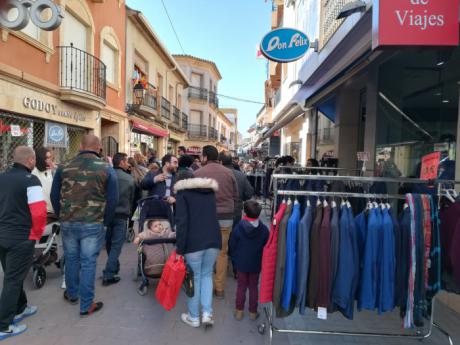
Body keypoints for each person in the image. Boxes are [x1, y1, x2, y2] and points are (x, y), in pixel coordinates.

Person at [51, 135, 118, 318]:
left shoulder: (64, 165)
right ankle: (86, 305)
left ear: (81, 146)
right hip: (92, 222)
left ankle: (72, 294)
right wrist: (106, 221)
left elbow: (54, 194)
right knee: (88, 263)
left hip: (68, 221)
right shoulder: (106, 168)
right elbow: (113, 199)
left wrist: (61, 215)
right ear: (99, 148)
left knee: (71, 258)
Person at [0, 146, 47, 339]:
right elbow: (39, 212)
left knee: (13, 275)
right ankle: (3, 326)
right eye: (34, 160)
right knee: (12, 279)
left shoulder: (1, 177)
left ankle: (20, 307)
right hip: (21, 238)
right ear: (30, 161)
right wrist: (36, 235)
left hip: (2, 236)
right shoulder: (31, 180)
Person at [174, 177, 221, 327]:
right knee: (207, 275)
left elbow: (182, 222)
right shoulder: (210, 192)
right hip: (213, 239)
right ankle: (207, 313)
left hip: (193, 242)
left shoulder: (182, 194)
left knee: (194, 279)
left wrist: (179, 249)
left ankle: (194, 317)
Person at [194, 146, 238, 299]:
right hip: (225, 218)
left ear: (205, 157)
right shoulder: (229, 173)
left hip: (205, 219)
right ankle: (219, 288)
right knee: (222, 253)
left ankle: (204, 286)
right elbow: (235, 195)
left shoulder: (198, 173)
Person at [228, 200, 269, 321]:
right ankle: (252, 312)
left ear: (245, 212)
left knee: (241, 286)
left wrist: (234, 258)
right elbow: (266, 246)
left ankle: (239, 311)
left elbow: (232, 245)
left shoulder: (239, 228)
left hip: (241, 262)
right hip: (256, 263)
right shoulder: (264, 230)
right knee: (253, 287)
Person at [102, 153, 135, 286]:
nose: (128, 164)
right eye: (126, 161)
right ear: (121, 162)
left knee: (110, 243)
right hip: (121, 215)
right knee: (116, 245)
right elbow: (132, 199)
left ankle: (113, 267)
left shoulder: (107, 175)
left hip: (107, 214)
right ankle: (109, 273)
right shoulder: (129, 179)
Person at [32, 147, 56, 214]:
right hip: (40, 211)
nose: (49, 161)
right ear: (40, 159)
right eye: (46, 158)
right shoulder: (33, 172)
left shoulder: (51, 170)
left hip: (52, 210)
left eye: (50, 158)